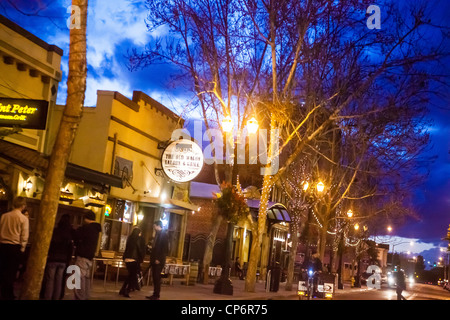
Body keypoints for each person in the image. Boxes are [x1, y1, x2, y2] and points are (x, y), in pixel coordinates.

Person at [0, 197, 28, 300]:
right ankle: (8, 295)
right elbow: (24, 236)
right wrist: (22, 249)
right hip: (14, 247)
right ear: (23, 205)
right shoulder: (23, 219)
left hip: (2, 245)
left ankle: (4, 292)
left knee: (2, 270)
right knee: (11, 273)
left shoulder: (4, 216)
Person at [43, 214, 74, 300]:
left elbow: (50, 245)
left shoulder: (55, 231)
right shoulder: (69, 234)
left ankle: (47, 297)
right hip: (63, 260)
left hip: (53, 258)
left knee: (50, 280)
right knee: (59, 281)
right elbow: (70, 249)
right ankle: (56, 297)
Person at [73, 210, 101, 300]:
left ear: (86, 218)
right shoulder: (96, 229)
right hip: (89, 257)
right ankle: (85, 296)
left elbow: (76, 236)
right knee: (86, 279)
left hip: (82, 256)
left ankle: (80, 297)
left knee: (79, 279)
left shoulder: (87, 229)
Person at [119, 227, 145, 298]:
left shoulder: (130, 238)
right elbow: (140, 250)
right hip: (134, 260)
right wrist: (141, 259)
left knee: (130, 275)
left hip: (127, 259)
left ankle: (122, 289)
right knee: (133, 277)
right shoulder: (139, 239)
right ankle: (127, 290)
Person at [146, 220, 169, 300]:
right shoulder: (157, 234)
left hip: (158, 261)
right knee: (155, 277)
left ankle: (156, 295)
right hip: (154, 259)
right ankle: (155, 294)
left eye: (154, 226)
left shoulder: (163, 235)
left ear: (158, 226)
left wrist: (159, 259)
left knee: (157, 277)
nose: (154, 228)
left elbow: (164, 249)